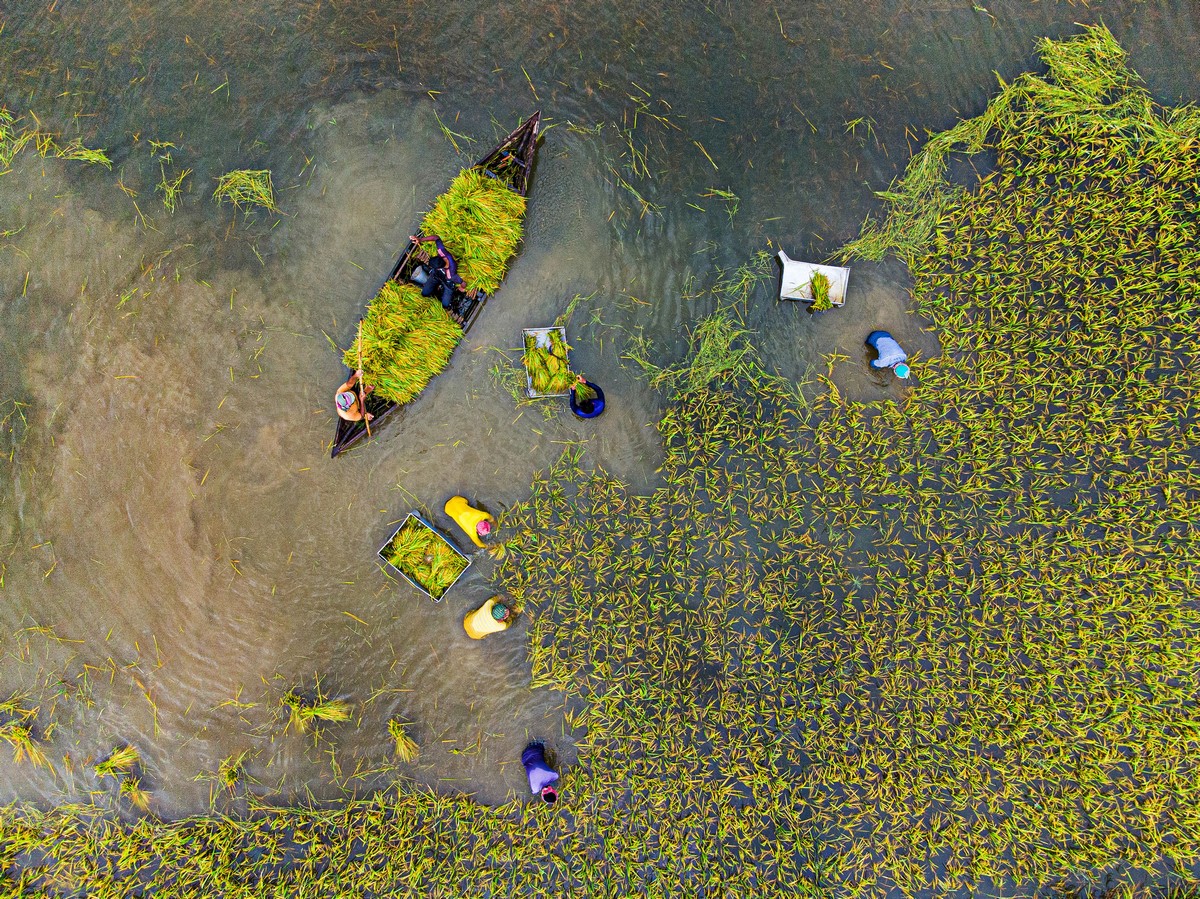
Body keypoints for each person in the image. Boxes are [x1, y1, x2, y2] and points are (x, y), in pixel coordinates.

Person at [410, 235, 464, 311]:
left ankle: (445, 296)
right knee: (424, 293)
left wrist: (462, 287)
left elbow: (462, 282)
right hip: (436, 275)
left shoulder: (451, 273)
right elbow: (436, 237)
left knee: (445, 305)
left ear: (439, 268)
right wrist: (420, 239)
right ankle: (433, 289)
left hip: (447, 283)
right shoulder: (442, 252)